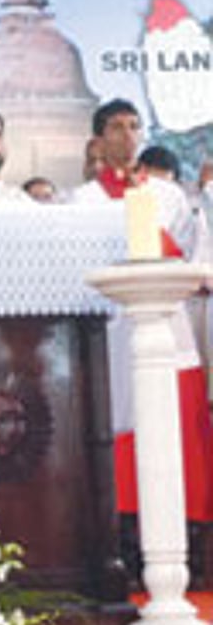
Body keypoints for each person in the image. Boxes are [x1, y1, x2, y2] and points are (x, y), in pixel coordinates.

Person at [71, 98, 213, 526]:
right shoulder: (82, 200)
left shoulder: (169, 195)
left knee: (176, 431)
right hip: (112, 334)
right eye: (116, 127)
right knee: (119, 433)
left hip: (170, 330)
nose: (128, 135)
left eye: (135, 126)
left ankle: (186, 526)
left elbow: (194, 254)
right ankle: (123, 530)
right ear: (97, 139)